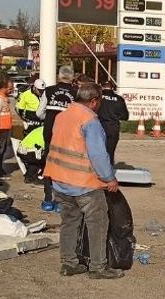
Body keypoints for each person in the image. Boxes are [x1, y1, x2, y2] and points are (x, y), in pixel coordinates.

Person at [45, 82, 123, 279]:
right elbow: (98, 154)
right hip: (84, 184)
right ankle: (98, 267)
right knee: (98, 223)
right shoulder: (90, 120)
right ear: (94, 100)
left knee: (69, 222)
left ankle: (68, 263)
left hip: (60, 180)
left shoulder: (62, 116)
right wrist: (109, 178)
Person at [36, 65, 77, 212]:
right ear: (72, 77)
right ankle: (61, 202)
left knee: (49, 167)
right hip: (68, 137)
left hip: (50, 135)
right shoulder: (76, 93)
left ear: (59, 76)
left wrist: (49, 118)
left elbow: (39, 113)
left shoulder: (49, 90)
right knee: (64, 168)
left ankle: (48, 200)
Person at [97, 80, 129, 165]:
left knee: (97, 151)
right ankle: (109, 172)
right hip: (113, 128)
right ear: (112, 88)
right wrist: (114, 115)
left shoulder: (97, 97)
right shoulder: (119, 99)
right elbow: (125, 116)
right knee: (110, 152)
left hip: (98, 126)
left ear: (102, 87)